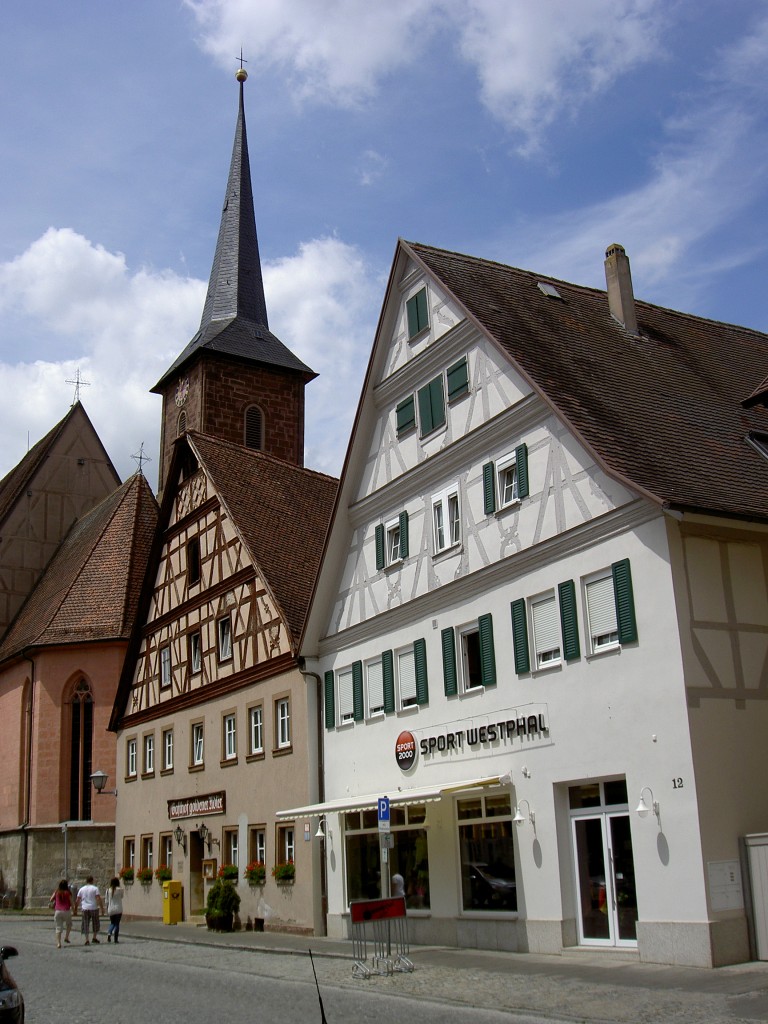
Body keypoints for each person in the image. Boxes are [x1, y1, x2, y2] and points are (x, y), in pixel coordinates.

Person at [75, 875, 104, 945]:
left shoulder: (81, 889)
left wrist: (75, 909)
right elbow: (98, 898)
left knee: (85, 924)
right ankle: (94, 937)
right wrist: (102, 908)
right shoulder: (95, 888)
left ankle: (86, 939)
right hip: (93, 908)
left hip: (85, 908)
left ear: (86, 881)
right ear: (92, 881)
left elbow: (78, 899)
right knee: (95, 923)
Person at [48, 879, 73, 948]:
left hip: (58, 911)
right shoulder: (68, 892)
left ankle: (58, 943)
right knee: (69, 924)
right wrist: (74, 910)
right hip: (66, 910)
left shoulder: (57, 892)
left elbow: (51, 899)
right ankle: (66, 937)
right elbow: (71, 902)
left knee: (58, 927)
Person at [105, 877, 124, 943]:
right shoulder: (120, 889)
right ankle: (116, 939)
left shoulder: (108, 890)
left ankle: (109, 933)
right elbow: (122, 896)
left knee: (112, 923)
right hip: (118, 908)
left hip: (111, 908)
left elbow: (106, 901)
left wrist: (107, 908)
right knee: (117, 924)